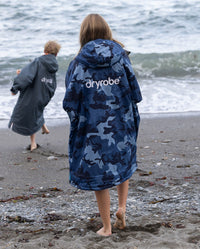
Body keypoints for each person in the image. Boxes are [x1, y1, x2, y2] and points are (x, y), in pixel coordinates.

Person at [63, 14, 142, 236]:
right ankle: (122, 208)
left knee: (99, 172)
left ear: (83, 34)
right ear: (107, 31)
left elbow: (70, 101)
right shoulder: (122, 57)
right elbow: (135, 92)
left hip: (92, 125)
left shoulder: (78, 64)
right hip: (121, 120)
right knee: (123, 161)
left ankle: (107, 227)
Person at [9, 41, 61, 151]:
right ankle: (44, 128)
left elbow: (26, 77)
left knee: (30, 115)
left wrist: (15, 88)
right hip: (44, 94)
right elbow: (44, 78)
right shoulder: (53, 65)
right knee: (38, 108)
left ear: (45, 51)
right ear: (56, 54)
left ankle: (33, 143)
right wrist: (22, 72)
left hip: (33, 93)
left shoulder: (38, 61)